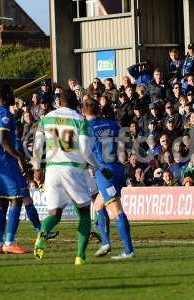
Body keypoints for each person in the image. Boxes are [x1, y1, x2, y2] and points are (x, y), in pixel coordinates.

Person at [32, 89, 103, 265]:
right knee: (85, 214)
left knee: (54, 214)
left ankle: (42, 234)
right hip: (73, 170)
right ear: (76, 102)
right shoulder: (80, 120)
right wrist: (99, 166)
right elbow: (86, 151)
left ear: (59, 102)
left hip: (52, 170)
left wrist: (36, 168)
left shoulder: (46, 118)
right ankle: (80, 256)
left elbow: (37, 145)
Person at [82, 97, 134, 260]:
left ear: (84, 112)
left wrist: (95, 166)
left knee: (116, 210)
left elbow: (85, 151)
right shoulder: (112, 124)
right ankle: (105, 243)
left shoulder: (87, 127)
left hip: (104, 172)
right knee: (98, 205)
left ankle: (128, 250)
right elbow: (121, 148)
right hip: (118, 168)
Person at [0, 85, 31, 254]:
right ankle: (9, 242)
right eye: (12, 93)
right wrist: (18, 156)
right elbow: (4, 140)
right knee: (17, 198)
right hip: (3, 161)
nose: (14, 96)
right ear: (5, 95)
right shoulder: (4, 112)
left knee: (1, 203)